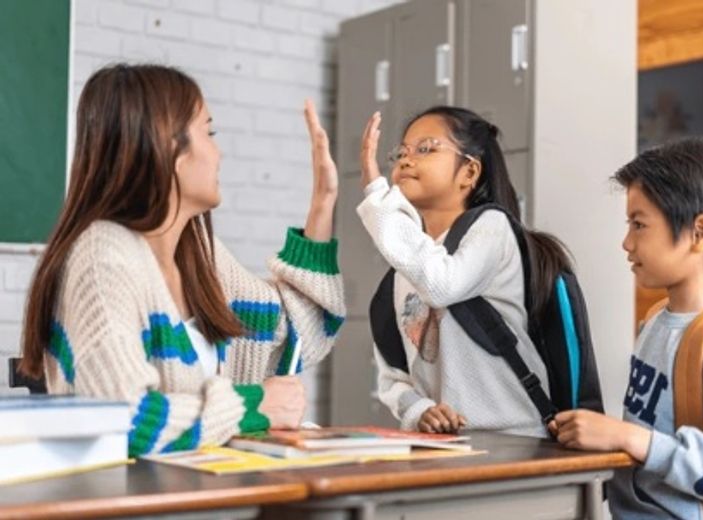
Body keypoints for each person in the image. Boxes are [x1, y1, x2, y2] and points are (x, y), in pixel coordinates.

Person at [18, 64, 345, 456]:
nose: (219, 153)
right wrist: (253, 407)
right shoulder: (103, 258)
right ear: (170, 147)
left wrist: (323, 202)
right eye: (209, 133)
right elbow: (123, 420)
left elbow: (298, 334)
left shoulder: (199, 253)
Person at [550, 137, 703, 518]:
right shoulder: (656, 321)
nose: (626, 242)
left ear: (701, 233)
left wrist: (629, 438)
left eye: (639, 224)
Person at [357, 106, 577, 438]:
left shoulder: (492, 227)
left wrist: (377, 196)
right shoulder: (404, 270)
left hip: (517, 442)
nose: (406, 160)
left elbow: (442, 284)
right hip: (447, 446)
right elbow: (393, 378)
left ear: (469, 172)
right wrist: (420, 410)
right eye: (401, 153)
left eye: (425, 148)